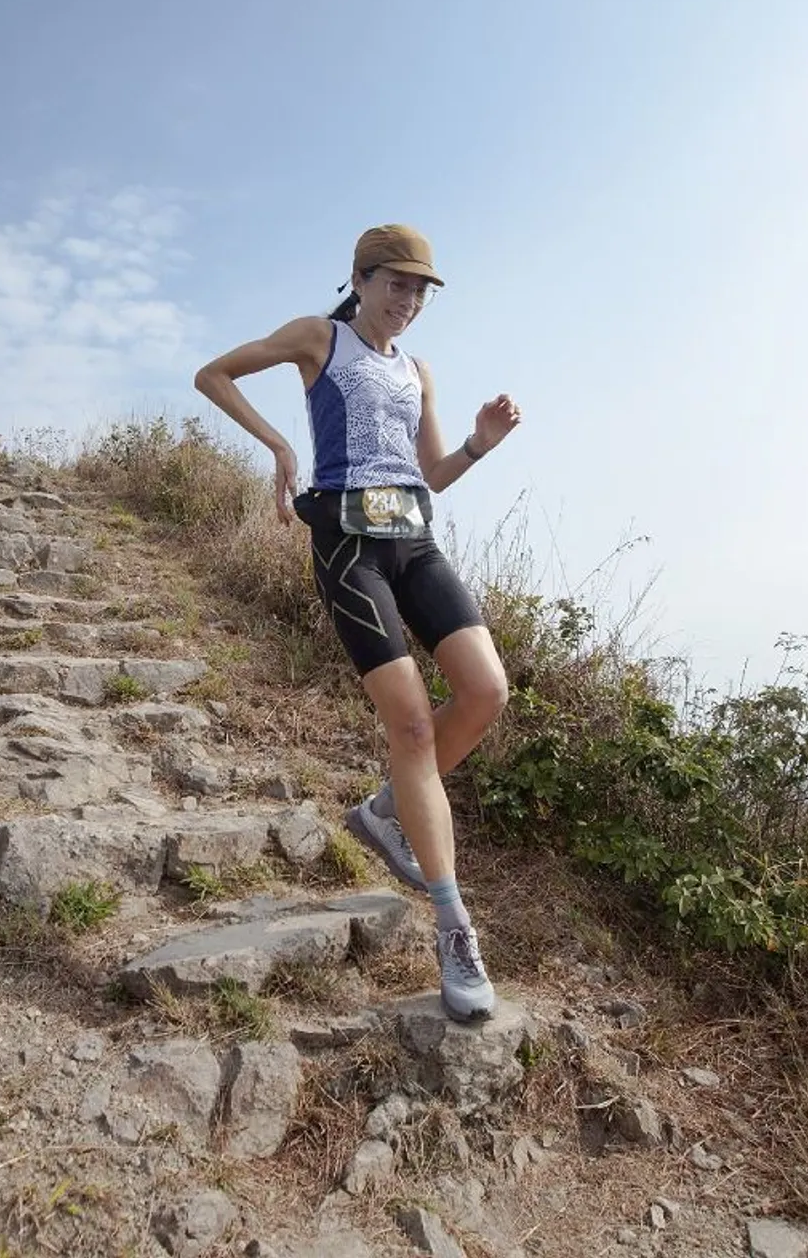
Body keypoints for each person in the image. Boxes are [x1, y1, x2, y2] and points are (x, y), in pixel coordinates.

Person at [191, 224, 521, 1023]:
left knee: (486, 691)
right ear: (362, 280)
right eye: (397, 285)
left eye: (420, 291)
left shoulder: (418, 371)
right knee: (410, 730)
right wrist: (277, 447)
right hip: (347, 546)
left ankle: (386, 812)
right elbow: (214, 374)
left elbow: (430, 473)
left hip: (414, 540)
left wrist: (479, 443)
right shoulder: (319, 338)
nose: (408, 302)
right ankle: (453, 930)